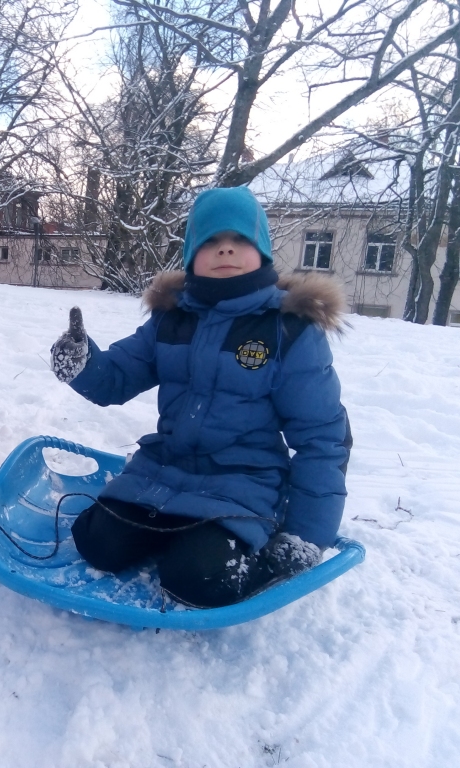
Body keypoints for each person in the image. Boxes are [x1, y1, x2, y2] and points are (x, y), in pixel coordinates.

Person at [50, 186, 351, 608]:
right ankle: (174, 533)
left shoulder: (288, 329)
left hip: (242, 486)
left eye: (239, 240)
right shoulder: (171, 319)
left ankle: (211, 549)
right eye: (210, 240)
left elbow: (322, 438)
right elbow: (118, 375)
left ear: (261, 251)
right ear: (192, 253)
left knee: (198, 580)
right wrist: (83, 363)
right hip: (164, 472)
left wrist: (304, 535)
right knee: (96, 543)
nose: (225, 249)